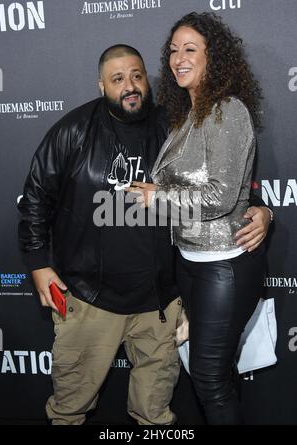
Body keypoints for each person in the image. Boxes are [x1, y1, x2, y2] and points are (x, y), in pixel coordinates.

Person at [18, 44, 270, 425]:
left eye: (136, 76)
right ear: (101, 85)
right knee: (68, 411)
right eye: (118, 79)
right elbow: (35, 197)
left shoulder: (174, 126)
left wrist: (262, 208)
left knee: (154, 415)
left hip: (161, 303)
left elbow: (218, 182)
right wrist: (38, 263)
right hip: (89, 300)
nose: (130, 86)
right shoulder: (72, 131)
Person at [129, 13, 269, 425]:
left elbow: (221, 197)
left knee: (208, 378)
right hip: (190, 265)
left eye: (190, 49)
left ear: (215, 58)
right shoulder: (185, 117)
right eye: (173, 50)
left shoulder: (226, 109)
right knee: (218, 374)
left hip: (224, 265)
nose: (178, 58)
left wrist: (158, 197)